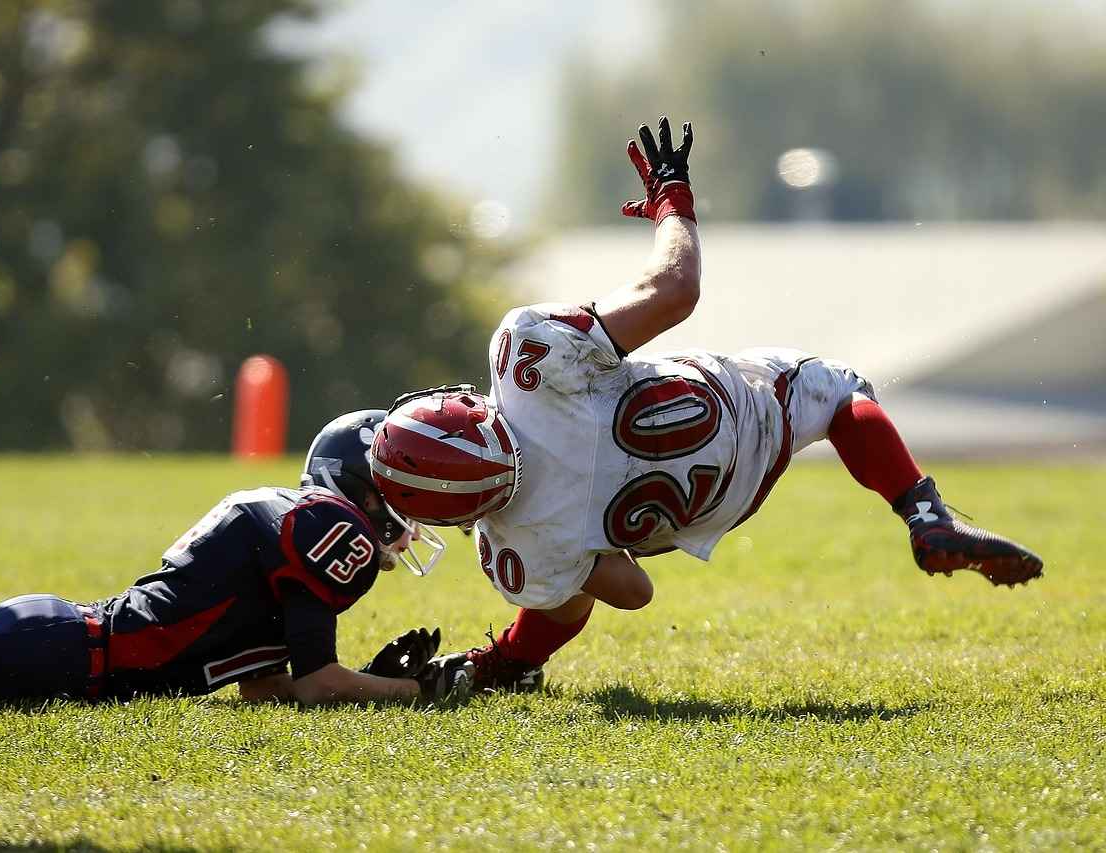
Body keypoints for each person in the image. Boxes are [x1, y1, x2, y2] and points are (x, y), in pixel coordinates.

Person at [369, 116, 1044, 693]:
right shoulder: (526, 356)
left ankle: (503, 664)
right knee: (836, 391)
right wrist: (672, 203)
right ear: (455, 409)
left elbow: (635, 594)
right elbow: (675, 291)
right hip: (736, 407)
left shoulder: (513, 546)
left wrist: (588, 540)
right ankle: (924, 514)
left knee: (567, 578)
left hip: (714, 500)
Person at [0, 412, 471, 707]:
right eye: (394, 487)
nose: (407, 509)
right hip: (64, 652)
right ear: (361, 488)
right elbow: (319, 683)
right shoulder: (331, 526)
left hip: (62, 640)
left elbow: (269, 690)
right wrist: (417, 692)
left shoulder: (300, 516)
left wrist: (368, 682)